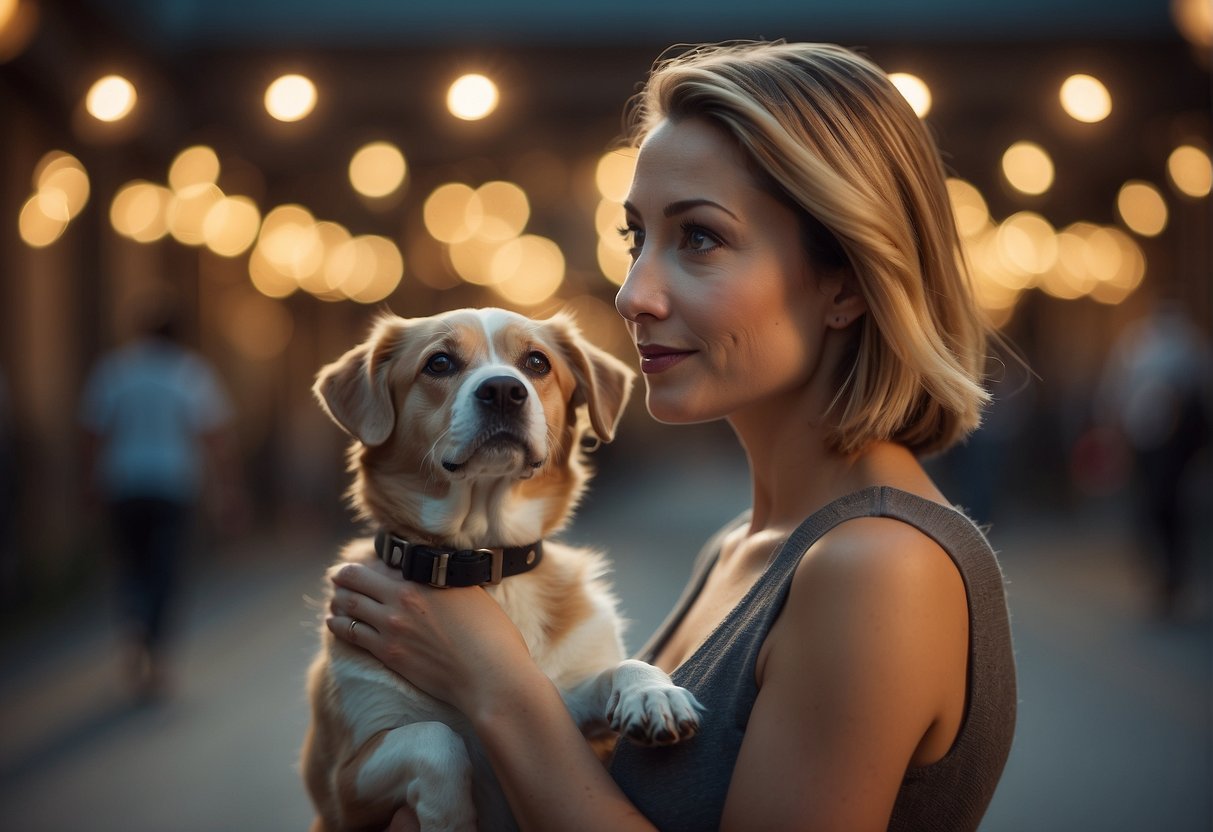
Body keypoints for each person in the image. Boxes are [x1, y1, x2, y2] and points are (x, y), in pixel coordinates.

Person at [326, 40, 1017, 831]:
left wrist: (497, 687)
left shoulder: (878, 568)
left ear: (845, 284)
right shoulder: (741, 547)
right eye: (635, 239)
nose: (632, 294)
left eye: (698, 238)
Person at [80, 295, 241, 699]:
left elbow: (94, 432)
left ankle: (136, 633)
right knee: (165, 571)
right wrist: (228, 493)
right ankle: (158, 657)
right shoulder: (190, 373)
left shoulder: (115, 370)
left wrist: (90, 481)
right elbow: (214, 437)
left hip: (124, 483)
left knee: (131, 565)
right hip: (173, 485)